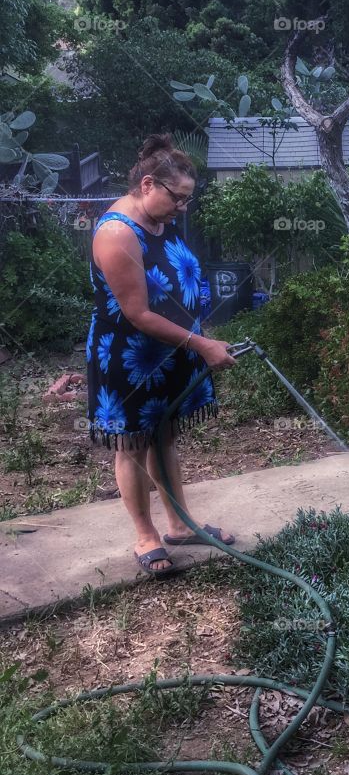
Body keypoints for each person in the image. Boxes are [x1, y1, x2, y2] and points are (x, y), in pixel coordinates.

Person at [85, 133, 238, 576]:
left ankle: (179, 524)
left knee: (165, 436)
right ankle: (145, 536)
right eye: (178, 198)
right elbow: (137, 313)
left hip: (171, 349)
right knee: (133, 444)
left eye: (187, 199)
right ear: (148, 184)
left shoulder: (157, 218)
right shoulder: (117, 234)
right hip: (130, 357)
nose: (182, 208)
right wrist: (203, 344)